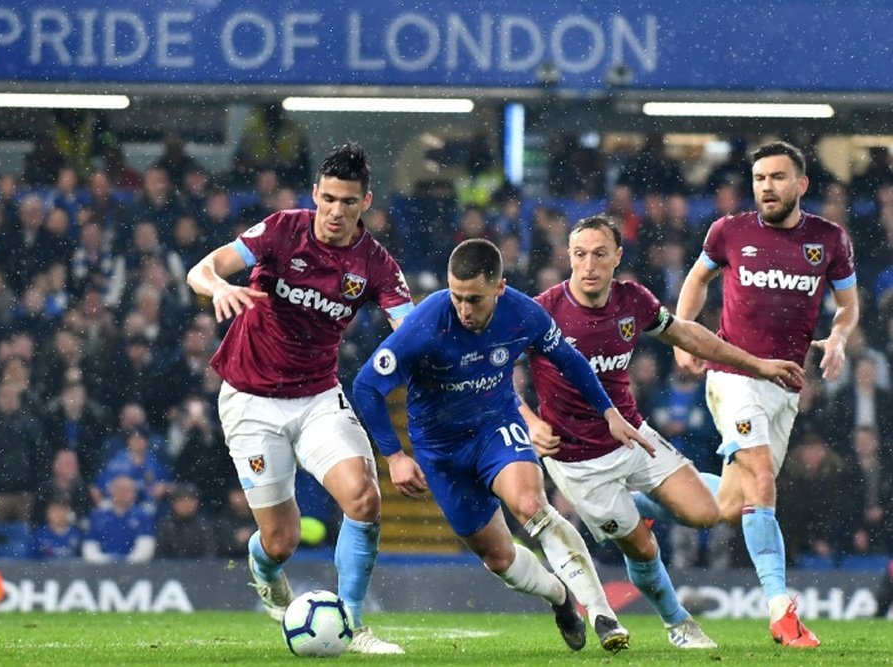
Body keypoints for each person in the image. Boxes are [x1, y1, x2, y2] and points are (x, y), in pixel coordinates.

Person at [352, 238, 656, 654]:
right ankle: (560, 597)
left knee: (532, 506)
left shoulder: (523, 313)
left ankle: (602, 612)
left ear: (499, 288)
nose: (463, 310)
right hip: (440, 451)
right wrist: (394, 455)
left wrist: (608, 412)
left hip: (496, 427)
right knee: (498, 559)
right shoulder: (426, 323)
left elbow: (569, 360)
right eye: (456, 297)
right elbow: (367, 385)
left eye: (474, 299)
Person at [520, 215, 804, 649]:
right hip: (578, 461)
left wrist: (759, 365)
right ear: (568, 257)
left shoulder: (633, 300)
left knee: (708, 513)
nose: (589, 265)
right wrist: (529, 420)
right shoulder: (542, 313)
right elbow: (497, 368)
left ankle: (637, 501)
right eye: (580, 255)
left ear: (618, 257)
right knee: (643, 546)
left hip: (634, 436)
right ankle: (678, 623)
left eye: (600, 254)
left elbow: (689, 337)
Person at [185, 143, 413, 654]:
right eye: (328, 198)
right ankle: (265, 572)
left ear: (365, 202)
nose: (335, 211)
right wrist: (218, 286)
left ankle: (353, 625)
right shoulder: (283, 229)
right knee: (281, 541)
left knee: (364, 496)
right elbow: (201, 269)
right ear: (315, 194)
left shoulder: (374, 263)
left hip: (316, 397)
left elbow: (408, 326)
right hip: (249, 400)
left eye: (348, 202)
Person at [671, 141, 859, 648]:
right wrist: (682, 332)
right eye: (758, 178)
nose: (766, 187)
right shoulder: (729, 231)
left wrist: (838, 337)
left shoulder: (828, 239)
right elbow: (696, 278)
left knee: (733, 505)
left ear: (801, 184)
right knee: (760, 478)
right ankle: (781, 611)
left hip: (785, 387)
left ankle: (652, 491)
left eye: (777, 177)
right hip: (733, 374)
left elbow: (848, 304)